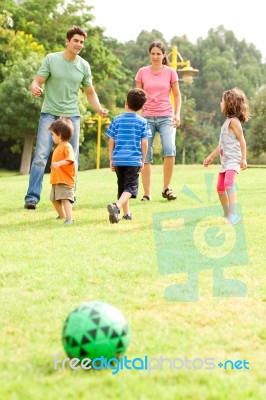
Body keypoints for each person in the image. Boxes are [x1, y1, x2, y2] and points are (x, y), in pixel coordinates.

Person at [24, 25, 108, 210]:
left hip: (71, 115)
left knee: (72, 157)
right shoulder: (52, 59)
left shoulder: (83, 65)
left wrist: (99, 109)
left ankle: (69, 197)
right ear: (67, 41)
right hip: (50, 113)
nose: (79, 44)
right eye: (76, 41)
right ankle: (32, 197)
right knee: (41, 155)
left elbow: (90, 92)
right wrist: (34, 87)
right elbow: (37, 81)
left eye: (81, 42)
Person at [135, 40, 182, 201]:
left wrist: (177, 114)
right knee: (145, 155)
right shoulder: (142, 72)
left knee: (169, 149)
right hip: (146, 118)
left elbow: (177, 95)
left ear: (164, 55)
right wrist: (136, 116)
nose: (155, 56)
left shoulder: (170, 72)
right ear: (150, 55)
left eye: (158, 54)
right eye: (153, 53)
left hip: (166, 117)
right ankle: (147, 194)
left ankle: (166, 188)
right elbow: (137, 96)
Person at [203, 88, 250, 225]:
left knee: (228, 183)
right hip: (225, 162)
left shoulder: (234, 121)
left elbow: (242, 140)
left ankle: (233, 215)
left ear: (229, 103)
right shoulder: (226, 123)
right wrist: (211, 156)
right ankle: (226, 214)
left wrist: (244, 158)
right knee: (219, 187)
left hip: (234, 160)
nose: (220, 103)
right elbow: (221, 145)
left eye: (222, 100)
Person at [106, 88, 150, 223]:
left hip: (119, 159)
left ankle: (126, 214)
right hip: (133, 160)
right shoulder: (142, 122)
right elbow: (144, 143)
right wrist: (142, 160)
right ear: (142, 106)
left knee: (123, 188)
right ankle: (117, 207)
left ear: (126, 102)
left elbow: (111, 141)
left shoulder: (117, 120)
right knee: (130, 188)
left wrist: (111, 159)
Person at [49, 117, 75, 224]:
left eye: (53, 134)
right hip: (57, 180)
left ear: (59, 135)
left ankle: (69, 219)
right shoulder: (59, 146)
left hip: (65, 180)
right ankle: (62, 215)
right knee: (54, 199)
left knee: (65, 199)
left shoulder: (67, 147)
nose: (52, 137)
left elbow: (70, 160)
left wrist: (59, 164)